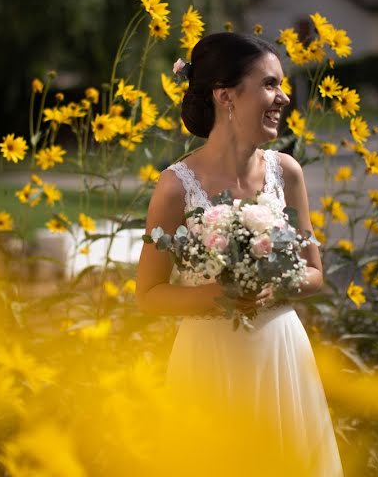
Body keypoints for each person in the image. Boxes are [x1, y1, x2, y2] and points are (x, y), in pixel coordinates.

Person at [136, 32, 343, 475]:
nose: (283, 98)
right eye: (270, 84)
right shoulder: (175, 188)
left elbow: (314, 274)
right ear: (226, 96)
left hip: (281, 355)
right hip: (209, 362)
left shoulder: (286, 173)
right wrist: (220, 294)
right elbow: (149, 293)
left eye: (281, 86)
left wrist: (276, 286)